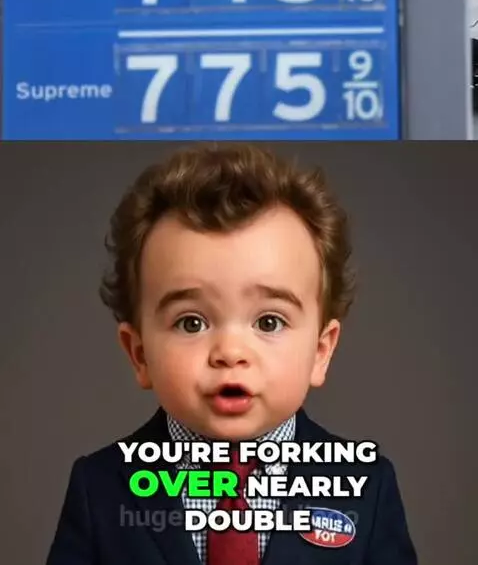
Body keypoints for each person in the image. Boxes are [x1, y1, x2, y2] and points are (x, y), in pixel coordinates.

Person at [46, 143, 418, 564]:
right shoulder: (99, 486)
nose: (230, 352)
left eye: (269, 322)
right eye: (192, 322)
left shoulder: (365, 484)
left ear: (320, 351)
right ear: (140, 354)